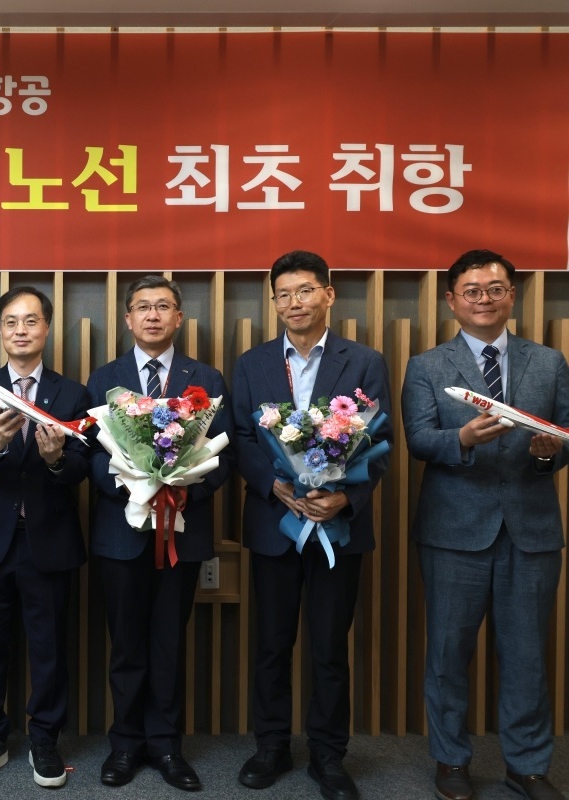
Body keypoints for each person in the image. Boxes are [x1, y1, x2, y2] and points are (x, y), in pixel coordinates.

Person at [402, 250, 569, 800]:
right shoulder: (427, 366)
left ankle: (528, 766)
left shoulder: (549, 362)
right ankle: (451, 760)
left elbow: (565, 434)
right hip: (453, 530)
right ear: (451, 300)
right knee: (448, 655)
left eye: (495, 289)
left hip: (531, 529)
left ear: (512, 296)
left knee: (527, 655)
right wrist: (462, 439)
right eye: (471, 291)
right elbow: (418, 439)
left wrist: (549, 454)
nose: (484, 299)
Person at [231, 251, 391, 800]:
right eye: (283, 294)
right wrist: (270, 484)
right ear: (274, 302)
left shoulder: (364, 361)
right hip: (275, 524)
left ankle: (328, 754)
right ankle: (271, 746)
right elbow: (242, 438)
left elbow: (379, 441)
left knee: (329, 646)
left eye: (304, 291)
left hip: (336, 528)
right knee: (271, 645)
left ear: (328, 294)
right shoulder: (252, 363)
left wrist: (345, 497)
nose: (294, 302)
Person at [86, 276, 232, 791]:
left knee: (169, 641)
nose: (153, 315)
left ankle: (167, 745)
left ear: (179, 318)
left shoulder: (206, 378)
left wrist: (182, 485)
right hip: (121, 532)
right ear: (128, 318)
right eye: (143, 307)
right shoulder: (104, 378)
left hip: (182, 531)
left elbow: (223, 455)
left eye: (163, 306)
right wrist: (137, 486)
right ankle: (125, 744)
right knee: (126, 644)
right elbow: (90, 457)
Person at [0, 287, 90, 788]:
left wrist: (56, 459)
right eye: (11, 321)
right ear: (1, 330)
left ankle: (45, 739)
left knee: (49, 646)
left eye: (31, 321)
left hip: (49, 537)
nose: (21, 330)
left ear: (46, 328)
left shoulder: (72, 392)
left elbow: (83, 466)